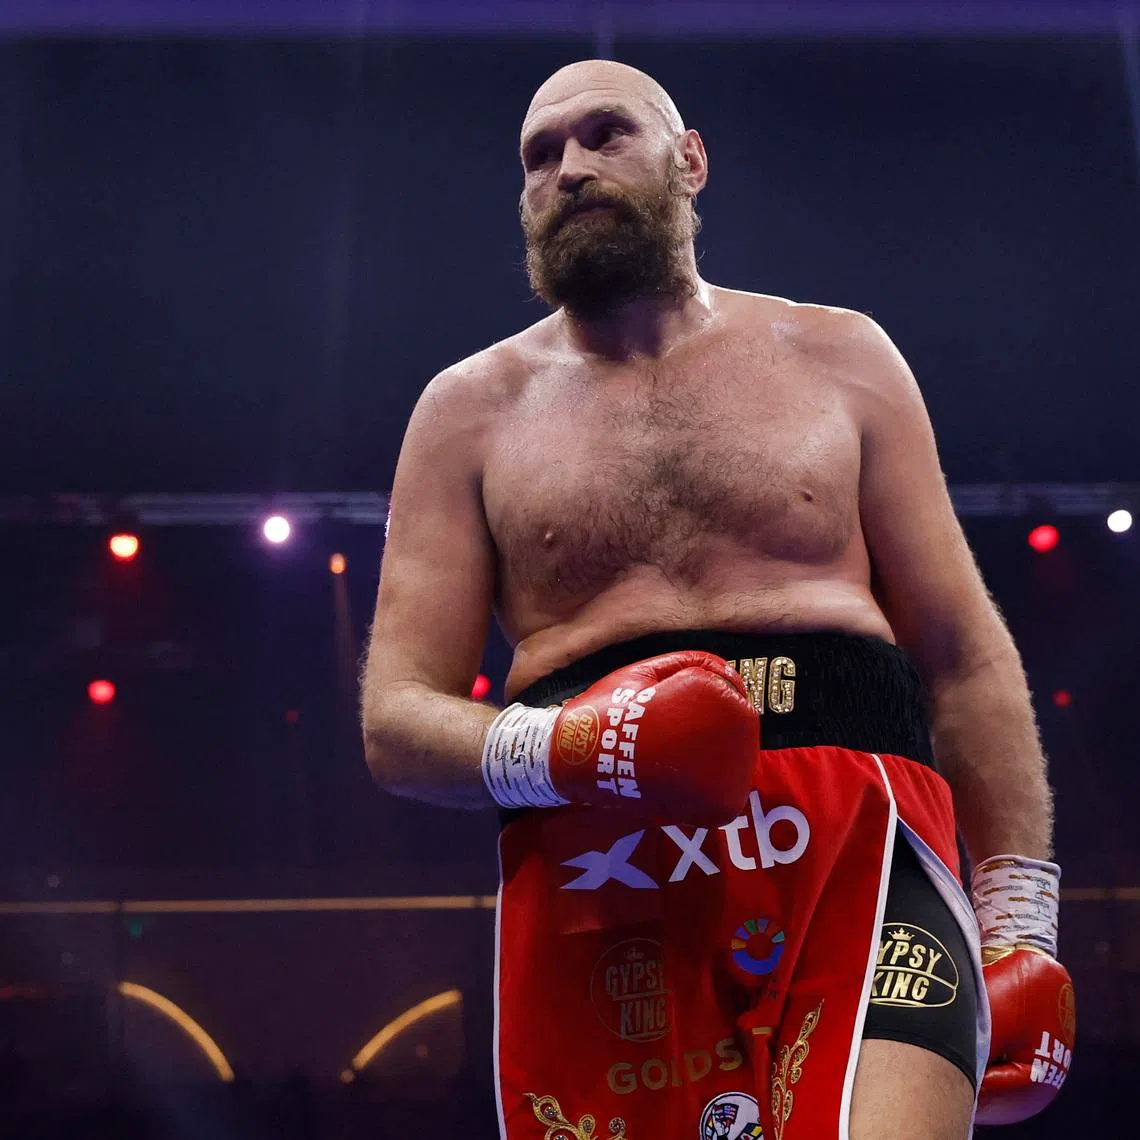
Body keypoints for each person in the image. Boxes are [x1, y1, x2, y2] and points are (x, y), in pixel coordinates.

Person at [360, 59, 1074, 1140]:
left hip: (861, 844)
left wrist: (1020, 919)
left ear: (690, 159)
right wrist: (576, 750)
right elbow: (397, 721)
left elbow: (963, 652)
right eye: (539, 155)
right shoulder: (466, 412)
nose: (570, 167)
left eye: (606, 134)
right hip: (604, 870)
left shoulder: (843, 355)